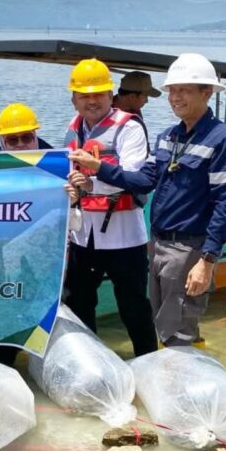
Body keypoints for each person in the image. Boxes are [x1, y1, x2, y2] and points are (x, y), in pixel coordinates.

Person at [69, 52, 226, 348]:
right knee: (163, 321)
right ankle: (164, 382)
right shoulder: (169, 137)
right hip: (160, 243)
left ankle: (184, 385)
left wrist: (208, 260)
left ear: (207, 92)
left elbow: (225, 205)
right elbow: (142, 181)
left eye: (184, 90)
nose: (175, 97)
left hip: (190, 247)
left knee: (179, 329)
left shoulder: (224, 140)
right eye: (172, 91)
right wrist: (93, 178)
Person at [62, 59, 157, 357]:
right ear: (74, 99)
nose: (92, 101)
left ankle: (148, 361)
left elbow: (134, 176)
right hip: (82, 236)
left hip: (124, 236)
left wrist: (93, 177)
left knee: (133, 306)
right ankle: (91, 364)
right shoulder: (72, 129)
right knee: (79, 303)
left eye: (98, 94)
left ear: (110, 94)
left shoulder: (129, 128)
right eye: (84, 95)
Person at [0, 103, 51, 367]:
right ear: (2, 141)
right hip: (6, 258)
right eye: (12, 139)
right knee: (5, 324)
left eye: (27, 137)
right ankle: (7, 374)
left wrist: (75, 195)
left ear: (36, 135)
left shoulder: (57, 161)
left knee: (44, 321)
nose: (20, 144)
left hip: (45, 256)